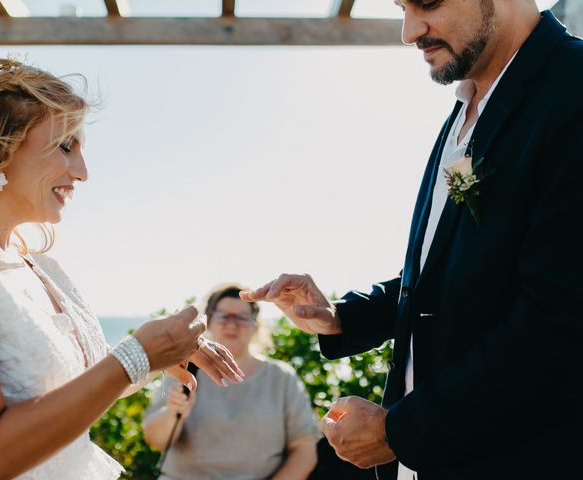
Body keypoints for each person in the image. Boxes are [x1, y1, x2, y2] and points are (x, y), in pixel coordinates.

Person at [241, 2, 583, 479]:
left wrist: (402, 432)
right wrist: (344, 316)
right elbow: (454, 268)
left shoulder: (573, 87)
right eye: (402, 7)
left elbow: (562, 323)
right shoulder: (466, 108)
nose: (409, 32)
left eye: (428, 1)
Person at [0, 58, 243, 479]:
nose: (82, 173)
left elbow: (61, 390)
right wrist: (137, 356)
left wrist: (158, 356)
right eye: (67, 145)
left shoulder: (41, 267)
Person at [143, 284, 320, 480]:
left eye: (241, 318)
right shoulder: (184, 369)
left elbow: (304, 449)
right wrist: (174, 413)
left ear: (256, 325)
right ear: (208, 323)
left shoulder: (281, 378)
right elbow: (156, 440)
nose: (232, 324)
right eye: (224, 317)